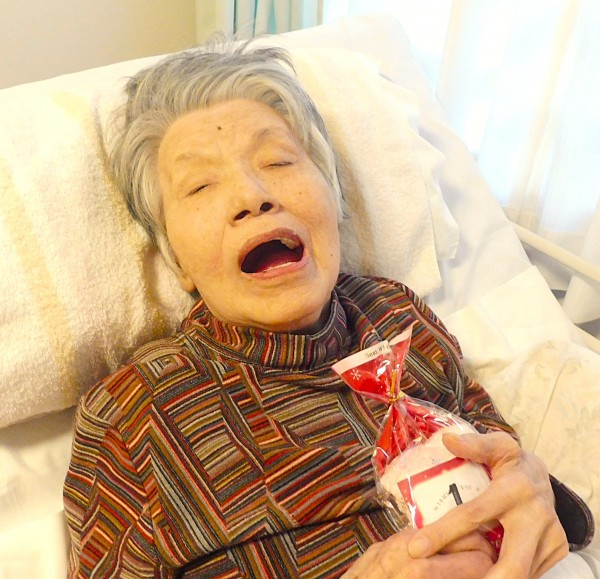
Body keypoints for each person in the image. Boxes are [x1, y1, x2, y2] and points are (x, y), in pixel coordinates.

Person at [63, 40, 594, 578]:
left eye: (277, 160)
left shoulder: (396, 313)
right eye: (200, 185)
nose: (252, 195)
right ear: (178, 261)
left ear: (334, 197)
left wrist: (538, 493)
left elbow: (507, 464)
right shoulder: (134, 415)